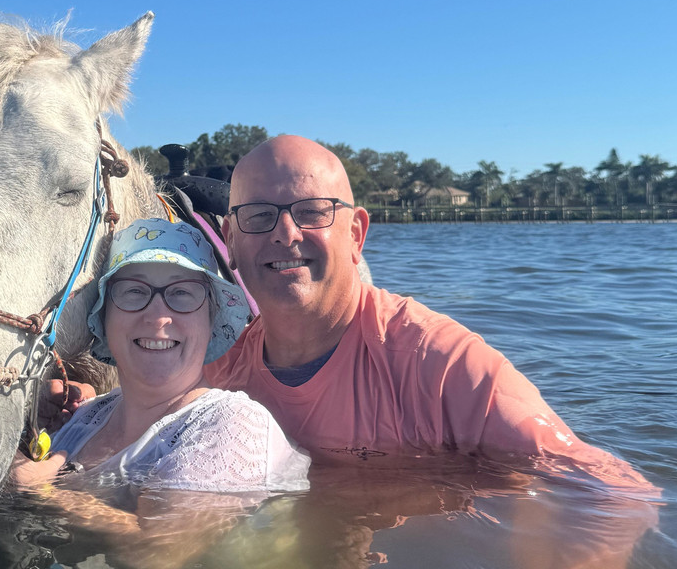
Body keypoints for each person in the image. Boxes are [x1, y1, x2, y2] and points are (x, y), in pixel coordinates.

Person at [202, 135, 651, 485]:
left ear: (356, 234)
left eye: (312, 212)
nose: (286, 233)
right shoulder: (217, 376)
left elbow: (609, 486)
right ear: (231, 242)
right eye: (258, 215)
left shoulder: (438, 364)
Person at [13, 216, 310, 494]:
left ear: (212, 319)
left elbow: (167, 545)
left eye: (182, 293)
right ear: (104, 318)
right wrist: (27, 421)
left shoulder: (231, 426)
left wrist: (37, 491)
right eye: (134, 292)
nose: (157, 317)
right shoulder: (85, 417)